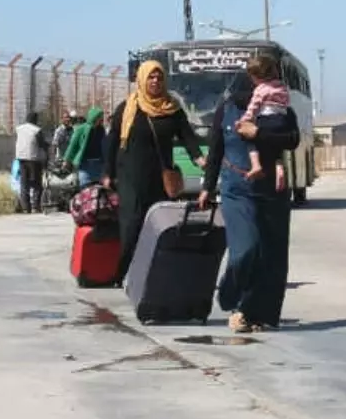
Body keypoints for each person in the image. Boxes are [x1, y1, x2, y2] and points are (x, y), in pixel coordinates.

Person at [197, 69, 301, 334]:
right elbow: (216, 147)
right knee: (245, 249)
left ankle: (254, 313)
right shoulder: (227, 108)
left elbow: (292, 139)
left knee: (271, 256)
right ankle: (230, 294)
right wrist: (208, 187)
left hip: (271, 191)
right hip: (236, 189)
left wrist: (258, 134)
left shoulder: (278, 107)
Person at [104, 60, 206, 283]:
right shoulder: (128, 108)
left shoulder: (172, 108)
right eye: (151, 77)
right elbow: (112, 141)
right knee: (132, 224)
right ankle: (123, 272)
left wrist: (199, 158)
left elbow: (187, 136)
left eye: (159, 78)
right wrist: (107, 172)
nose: (155, 81)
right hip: (130, 176)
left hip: (161, 177)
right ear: (141, 79)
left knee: (156, 225)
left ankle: (150, 271)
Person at [238, 54, 290, 189]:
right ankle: (278, 165)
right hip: (281, 120)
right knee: (275, 145)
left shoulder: (261, 90)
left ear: (256, 76)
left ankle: (256, 164)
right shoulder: (282, 87)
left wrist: (244, 120)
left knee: (248, 136)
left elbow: (253, 108)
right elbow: (286, 104)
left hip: (266, 120)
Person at [14, 111, 50, 214]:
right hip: (33, 158)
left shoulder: (18, 129)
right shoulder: (37, 130)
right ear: (35, 120)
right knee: (36, 183)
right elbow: (41, 144)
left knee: (24, 183)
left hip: (21, 158)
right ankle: (35, 206)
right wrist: (47, 147)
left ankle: (26, 207)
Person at [64, 105, 106, 187]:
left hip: (98, 164)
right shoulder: (81, 129)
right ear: (94, 117)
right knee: (85, 187)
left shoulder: (101, 130)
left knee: (98, 189)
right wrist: (67, 160)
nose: (101, 119)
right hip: (85, 164)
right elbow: (73, 145)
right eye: (100, 117)